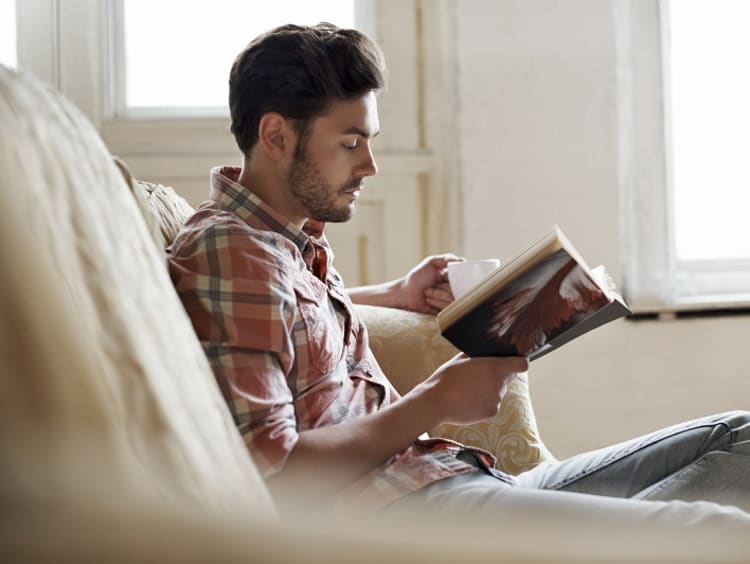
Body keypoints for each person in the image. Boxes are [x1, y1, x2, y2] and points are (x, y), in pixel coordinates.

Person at [167, 23, 750, 525]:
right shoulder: (232, 252)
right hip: (409, 514)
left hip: (448, 479)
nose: (368, 166)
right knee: (712, 529)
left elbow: (284, 321)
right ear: (276, 136)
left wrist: (394, 293)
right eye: (349, 143)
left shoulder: (282, 241)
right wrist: (435, 400)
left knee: (740, 439)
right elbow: (276, 477)